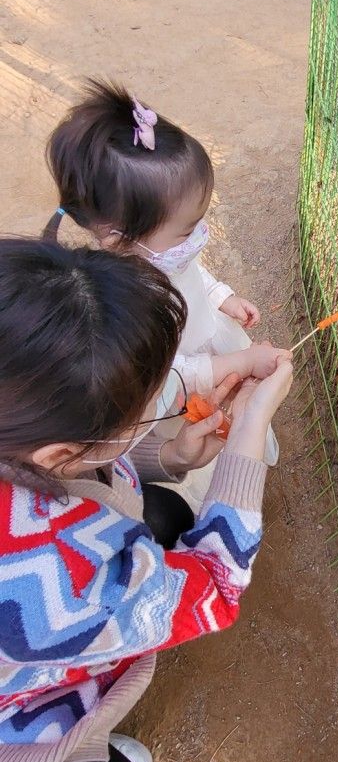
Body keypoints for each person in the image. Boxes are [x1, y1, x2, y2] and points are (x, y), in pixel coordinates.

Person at [0, 238, 292, 762]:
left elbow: (73, 476)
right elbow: (215, 587)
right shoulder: (66, 572)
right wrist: (245, 441)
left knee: (154, 510)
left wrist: (173, 451)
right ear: (62, 449)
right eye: (139, 412)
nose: (150, 411)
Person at [43, 78, 286, 506]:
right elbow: (170, 375)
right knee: (206, 427)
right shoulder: (122, 307)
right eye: (187, 231)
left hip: (207, 345)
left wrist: (221, 297)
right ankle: (219, 484)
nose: (198, 238)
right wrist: (243, 360)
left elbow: (193, 271)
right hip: (179, 381)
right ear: (119, 238)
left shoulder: (161, 254)